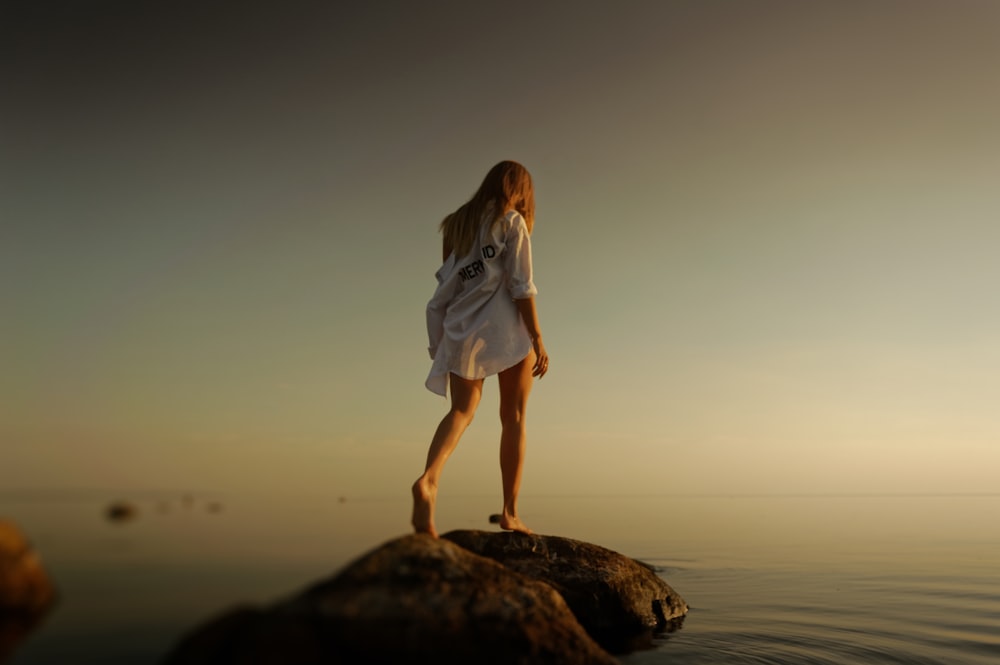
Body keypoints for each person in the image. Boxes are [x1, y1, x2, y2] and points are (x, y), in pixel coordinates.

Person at [412, 160, 549, 538]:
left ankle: (429, 479)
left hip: (461, 327)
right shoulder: (511, 222)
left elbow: (454, 281)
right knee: (514, 417)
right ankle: (510, 512)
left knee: (461, 411)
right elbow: (521, 285)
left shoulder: (455, 224)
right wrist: (537, 337)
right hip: (505, 329)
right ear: (518, 188)